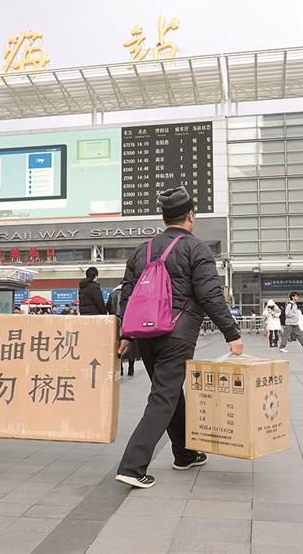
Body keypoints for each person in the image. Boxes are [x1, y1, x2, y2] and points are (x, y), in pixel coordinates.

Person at [115, 186, 243, 489]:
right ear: (190, 216)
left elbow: (128, 294)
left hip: (146, 334)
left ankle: (184, 453)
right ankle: (132, 467)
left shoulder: (142, 250)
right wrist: (232, 333)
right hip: (177, 332)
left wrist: (127, 335)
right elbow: (210, 294)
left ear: (163, 217)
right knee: (163, 395)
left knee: (169, 390)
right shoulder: (196, 249)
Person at [107, 283, 133, 376]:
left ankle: (120, 368)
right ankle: (131, 369)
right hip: (127, 320)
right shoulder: (129, 292)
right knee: (128, 343)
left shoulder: (112, 294)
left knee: (117, 344)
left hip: (115, 321)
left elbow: (108, 308)